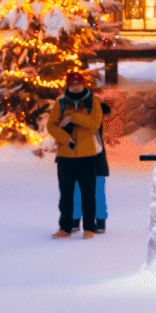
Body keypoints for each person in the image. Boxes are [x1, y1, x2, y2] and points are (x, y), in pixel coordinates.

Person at [46, 70, 111, 238]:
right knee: (66, 195)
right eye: (72, 84)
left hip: (87, 156)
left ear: (83, 84)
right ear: (67, 86)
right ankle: (65, 228)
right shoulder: (60, 104)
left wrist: (73, 117)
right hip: (65, 156)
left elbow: (95, 123)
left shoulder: (93, 103)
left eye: (78, 83)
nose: (75, 87)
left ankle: (89, 228)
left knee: (88, 194)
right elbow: (51, 126)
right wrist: (65, 137)